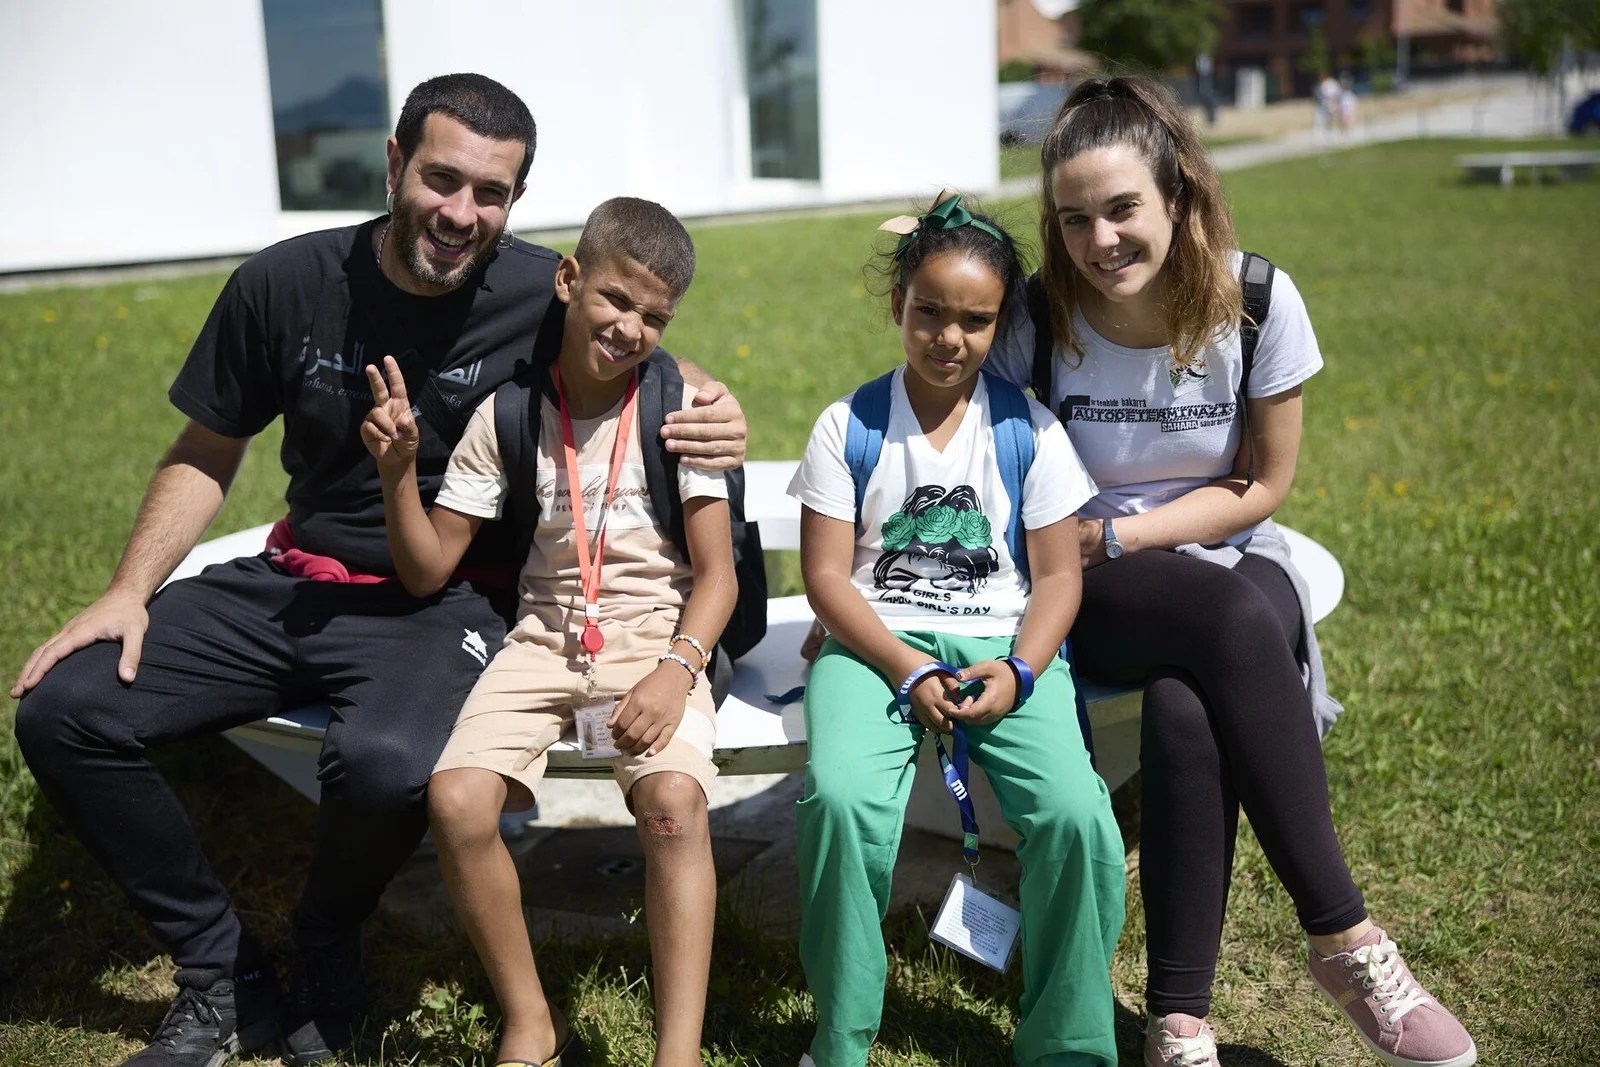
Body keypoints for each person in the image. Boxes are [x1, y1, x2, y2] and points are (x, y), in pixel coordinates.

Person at [10, 74, 747, 1067]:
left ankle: (322, 945)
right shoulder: (283, 281)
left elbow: (638, 346)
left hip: (444, 599)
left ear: (515, 206)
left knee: (393, 764)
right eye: (442, 179)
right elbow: (206, 448)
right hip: (297, 578)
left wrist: (719, 403)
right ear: (395, 164)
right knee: (65, 706)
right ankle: (221, 969)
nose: (461, 212)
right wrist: (125, 589)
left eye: (491, 194)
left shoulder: (541, 289)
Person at [985, 76, 1476, 1067]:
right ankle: (1343, 935)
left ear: (1178, 194)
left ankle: (1176, 1021)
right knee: (1230, 623)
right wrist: (1098, 542)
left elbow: (1260, 481)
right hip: (1077, 575)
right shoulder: (1038, 316)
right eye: (1073, 218)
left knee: (1183, 700)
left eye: (1121, 209)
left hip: (1207, 546)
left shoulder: (1254, 300)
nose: (1099, 239)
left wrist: (1132, 534)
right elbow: (985, 469)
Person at [362, 196, 733, 1067]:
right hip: (540, 641)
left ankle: (676, 1053)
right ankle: (531, 1018)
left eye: (655, 315)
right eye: (614, 299)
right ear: (569, 280)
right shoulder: (508, 415)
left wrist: (676, 671)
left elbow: (716, 576)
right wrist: (394, 476)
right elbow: (427, 567)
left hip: (655, 638)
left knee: (674, 805)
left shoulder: (684, 408)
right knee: (455, 799)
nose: (630, 326)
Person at [787, 192, 1124, 1067]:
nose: (948, 337)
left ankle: (1070, 1043)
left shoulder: (1030, 430)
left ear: (999, 322)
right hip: (872, 648)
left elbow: (1056, 575)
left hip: (1003, 652)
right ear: (898, 304)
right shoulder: (848, 424)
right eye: (928, 312)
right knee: (842, 800)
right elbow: (826, 576)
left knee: (1079, 816)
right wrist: (902, 666)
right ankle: (843, 1036)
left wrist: (1020, 668)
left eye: (974, 321)